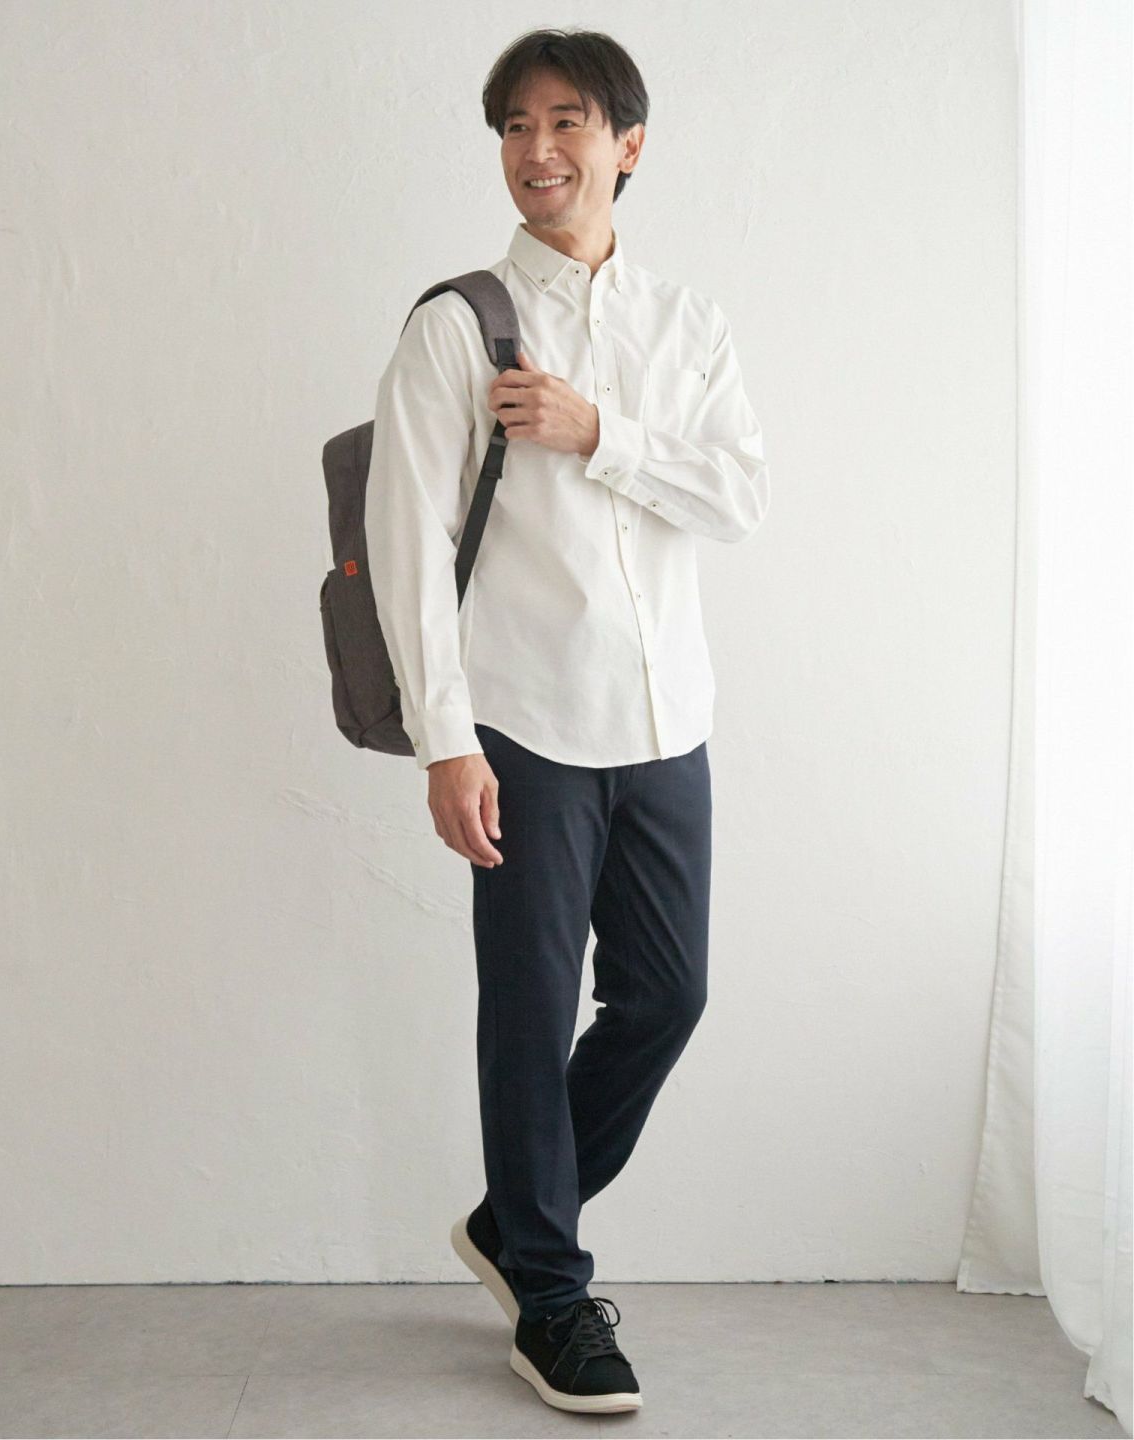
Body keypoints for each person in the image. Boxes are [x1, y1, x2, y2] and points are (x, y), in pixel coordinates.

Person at [363, 26, 770, 1416]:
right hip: (524, 724)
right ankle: (549, 1291)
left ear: (627, 144)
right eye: (515, 127)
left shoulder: (686, 323)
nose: (537, 151)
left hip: (666, 722)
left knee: (667, 994)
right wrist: (445, 738)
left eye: (567, 122)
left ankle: (512, 1219)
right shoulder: (458, 326)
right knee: (531, 1014)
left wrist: (601, 432)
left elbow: (738, 496)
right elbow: (407, 543)